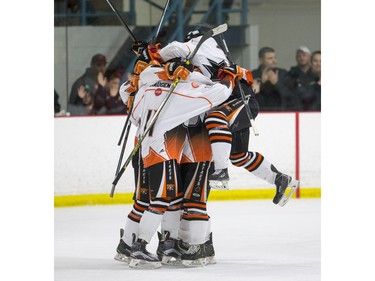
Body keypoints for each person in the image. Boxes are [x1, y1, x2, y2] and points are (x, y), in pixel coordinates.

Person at [251, 47, 289, 111]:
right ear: (261, 60)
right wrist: (262, 83)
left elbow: (289, 95)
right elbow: (250, 98)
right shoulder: (253, 74)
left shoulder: (283, 73)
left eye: (275, 58)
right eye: (270, 58)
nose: (274, 61)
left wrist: (276, 83)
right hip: (260, 112)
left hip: (280, 112)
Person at [284, 46, 319, 110]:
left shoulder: (316, 74)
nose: (301, 58)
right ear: (296, 58)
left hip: (314, 110)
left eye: (304, 55)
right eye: (299, 56)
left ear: (309, 57)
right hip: (296, 109)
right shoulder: (291, 74)